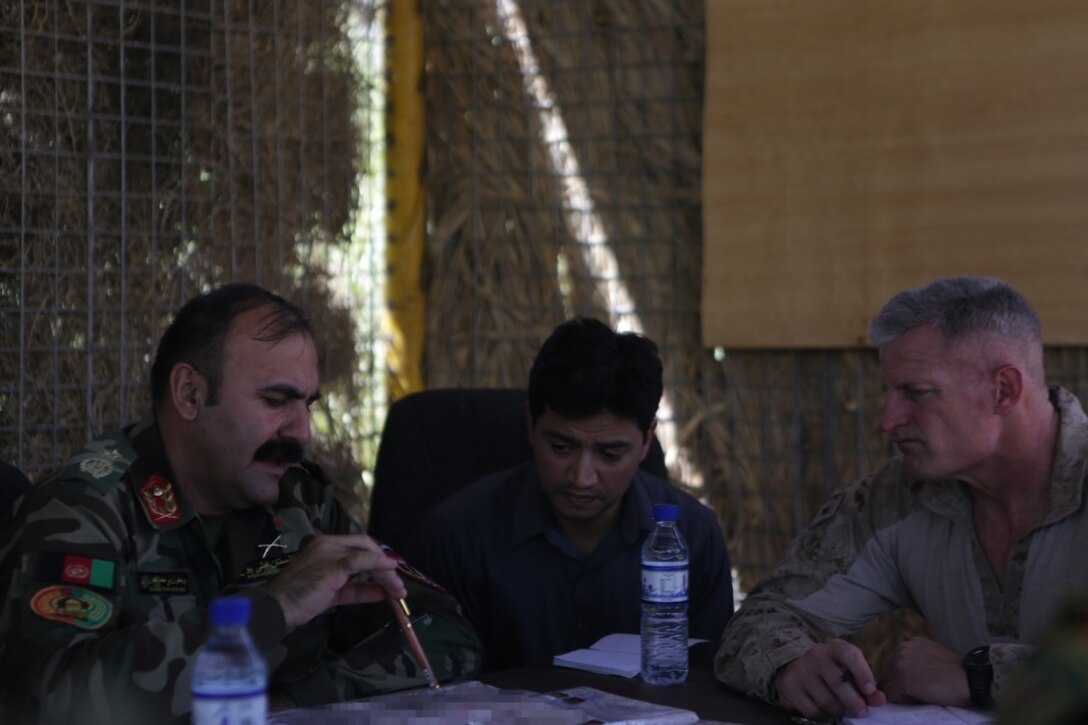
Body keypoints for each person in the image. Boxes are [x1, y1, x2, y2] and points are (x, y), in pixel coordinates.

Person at [0, 284, 482, 723]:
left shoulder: (300, 502)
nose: (303, 433)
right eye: (276, 401)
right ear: (190, 394)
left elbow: (445, 632)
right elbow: (48, 698)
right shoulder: (83, 509)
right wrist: (273, 608)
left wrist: (297, 701)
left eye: (307, 404)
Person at [716, 275, 1088, 720]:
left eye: (917, 393)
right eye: (888, 393)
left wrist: (980, 675)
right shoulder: (895, 498)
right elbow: (761, 619)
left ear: (1003, 390)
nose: (887, 421)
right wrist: (792, 664)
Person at [416, 317, 734, 670]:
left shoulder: (695, 537)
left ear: (647, 440)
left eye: (610, 454)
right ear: (530, 425)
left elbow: (708, 684)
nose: (582, 478)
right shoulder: (457, 537)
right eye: (561, 447)